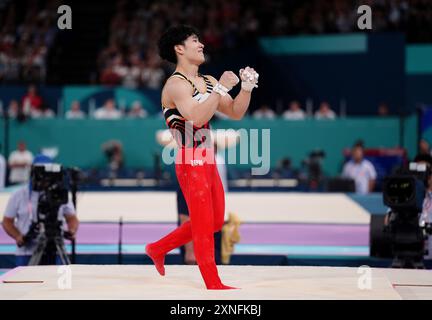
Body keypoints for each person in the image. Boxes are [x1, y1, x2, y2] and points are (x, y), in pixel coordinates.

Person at [145, 25, 258, 290]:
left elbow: (235, 113)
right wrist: (220, 89)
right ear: (179, 48)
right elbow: (195, 117)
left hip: (207, 158)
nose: (201, 45)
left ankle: (157, 248)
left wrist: (246, 89)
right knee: (204, 224)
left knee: (216, 221)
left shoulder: (207, 81)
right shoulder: (175, 84)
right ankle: (212, 281)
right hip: (189, 157)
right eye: (195, 40)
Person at [2, 155, 79, 266]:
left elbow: (72, 218)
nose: (45, 178)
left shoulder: (59, 194)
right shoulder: (19, 195)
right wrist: (18, 236)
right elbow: (7, 221)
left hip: (56, 250)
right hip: (27, 252)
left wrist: (72, 230)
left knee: (59, 282)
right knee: (26, 282)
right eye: (41, 174)